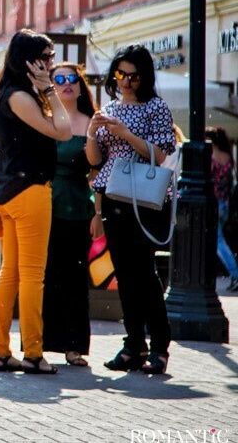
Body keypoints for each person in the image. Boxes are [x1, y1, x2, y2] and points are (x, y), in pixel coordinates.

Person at [0, 29, 71, 375]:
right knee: (32, 276)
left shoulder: (11, 93)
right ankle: (33, 353)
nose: (51, 64)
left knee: (12, 274)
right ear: (30, 61)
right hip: (30, 192)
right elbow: (62, 131)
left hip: (12, 193)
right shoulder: (20, 96)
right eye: (47, 57)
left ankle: (1, 352)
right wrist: (49, 87)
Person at [85, 45, 175, 375]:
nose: (124, 82)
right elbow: (96, 161)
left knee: (145, 273)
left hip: (146, 197)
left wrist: (126, 134)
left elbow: (161, 154)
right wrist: (92, 133)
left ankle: (159, 346)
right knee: (124, 272)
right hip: (113, 196)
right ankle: (133, 343)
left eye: (132, 76)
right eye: (119, 75)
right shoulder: (108, 107)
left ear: (144, 77)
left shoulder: (155, 108)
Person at [42, 62, 97, 367]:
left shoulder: (92, 122)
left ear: (79, 84)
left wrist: (98, 214)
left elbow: (97, 169)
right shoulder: (46, 121)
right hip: (47, 206)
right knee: (48, 275)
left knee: (76, 278)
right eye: (59, 79)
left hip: (79, 207)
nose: (66, 84)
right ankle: (40, 343)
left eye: (71, 79)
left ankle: (75, 346)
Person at [207, 127, 238, 292]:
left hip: (214, 202)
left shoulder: (212, 159)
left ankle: (235, 273)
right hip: (225, 203)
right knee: (217, 239)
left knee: (218, 241)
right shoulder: (228, 158)